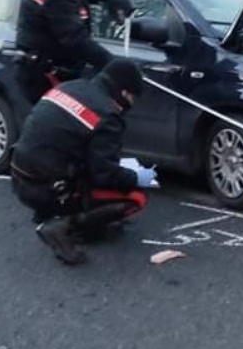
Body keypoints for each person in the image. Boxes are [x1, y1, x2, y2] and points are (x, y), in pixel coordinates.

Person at [10, 58, 156, 265]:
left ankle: (56, 216)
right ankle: (64, 226)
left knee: (72, 163)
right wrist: (139, 177)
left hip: (19, 176)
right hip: (49, 188)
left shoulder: (70, 86)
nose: (132, 103)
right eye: (133, 97)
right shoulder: (108, 114)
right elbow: (105, 175)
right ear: (124, 92)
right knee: (137, 196)